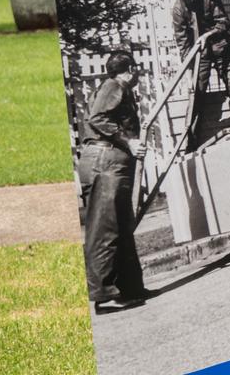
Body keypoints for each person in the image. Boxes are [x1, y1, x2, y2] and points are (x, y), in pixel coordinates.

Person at [79, 51, 149, 312]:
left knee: (121, 227)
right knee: (105, 228)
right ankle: (105, 295)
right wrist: (128, 141)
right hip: (105, 161)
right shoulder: (113, 86)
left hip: (110, 162)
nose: (138, 74)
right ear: (129, 68)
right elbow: (97, 118)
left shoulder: (117, 88)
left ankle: (130, 288)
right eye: (136, 69)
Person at [171, 0, 230, 150]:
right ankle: (191, 144)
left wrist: (208, 35)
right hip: (200, 54)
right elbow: (182, 43)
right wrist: (189, 70)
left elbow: (224, 22)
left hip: (221, 47)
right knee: (195, 93)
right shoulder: (178, 9)